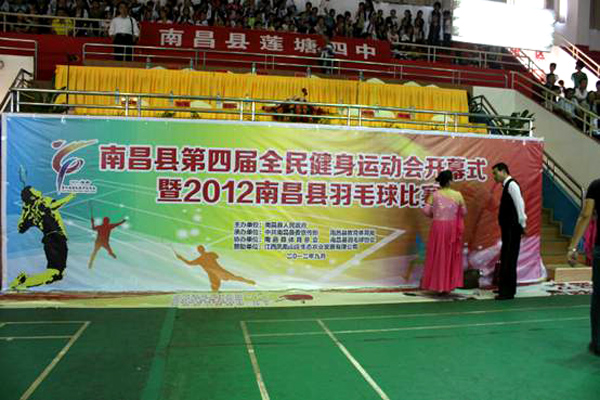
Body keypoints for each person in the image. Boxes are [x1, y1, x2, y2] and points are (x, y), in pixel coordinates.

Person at [10, 187, 75, 290]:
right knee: (54, 273)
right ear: (32, 196)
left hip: (49, 240)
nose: (37, 190)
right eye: (34, 190)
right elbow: (54, 206)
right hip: (56, 238)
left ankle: (24, 279)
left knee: (57, 274)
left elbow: (21, 228)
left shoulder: (30, 213)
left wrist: (25, 211)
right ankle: (24, 284)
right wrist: (71, 196)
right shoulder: (42, 201)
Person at [567, 178, 600, 356]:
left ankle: (598, 343)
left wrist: (572, 247)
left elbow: (586, 214)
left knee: (599, 297)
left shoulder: (596, 185)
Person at [420, 170, 467, 294]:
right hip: (452, 228)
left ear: (440, 181)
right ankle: (448, 285)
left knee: (438, 254)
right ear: (450, 181)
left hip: (438, 227)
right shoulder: (458, 195)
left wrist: (435, 214)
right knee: (450, 255)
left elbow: (425, 211)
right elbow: (464, 212)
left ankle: (438, 285)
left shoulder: (434, 195)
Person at [492, 163, 527, 300]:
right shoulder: (507, 185)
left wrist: (522, 223)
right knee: (506, 257)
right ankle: (504, 287)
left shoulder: (512, 185)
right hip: (508, 229)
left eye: (495, 173)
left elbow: (520, 205)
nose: (494, 176)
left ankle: (507, 292)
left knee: (509, 258)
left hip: (513, 228)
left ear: (503, 171)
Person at [174, 245, 256, 291]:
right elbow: (216, 256)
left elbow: (189, 263)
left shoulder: (201, 259)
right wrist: (181, 258)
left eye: (200, 249)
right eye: (201, 250)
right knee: (217, 286)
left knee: (234, 278)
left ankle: (248, 281)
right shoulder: (208, 255)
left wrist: (181, 258)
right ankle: (248, 281)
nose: (201, 251)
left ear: (199, 251)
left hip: (218, 272)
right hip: (215, 274)